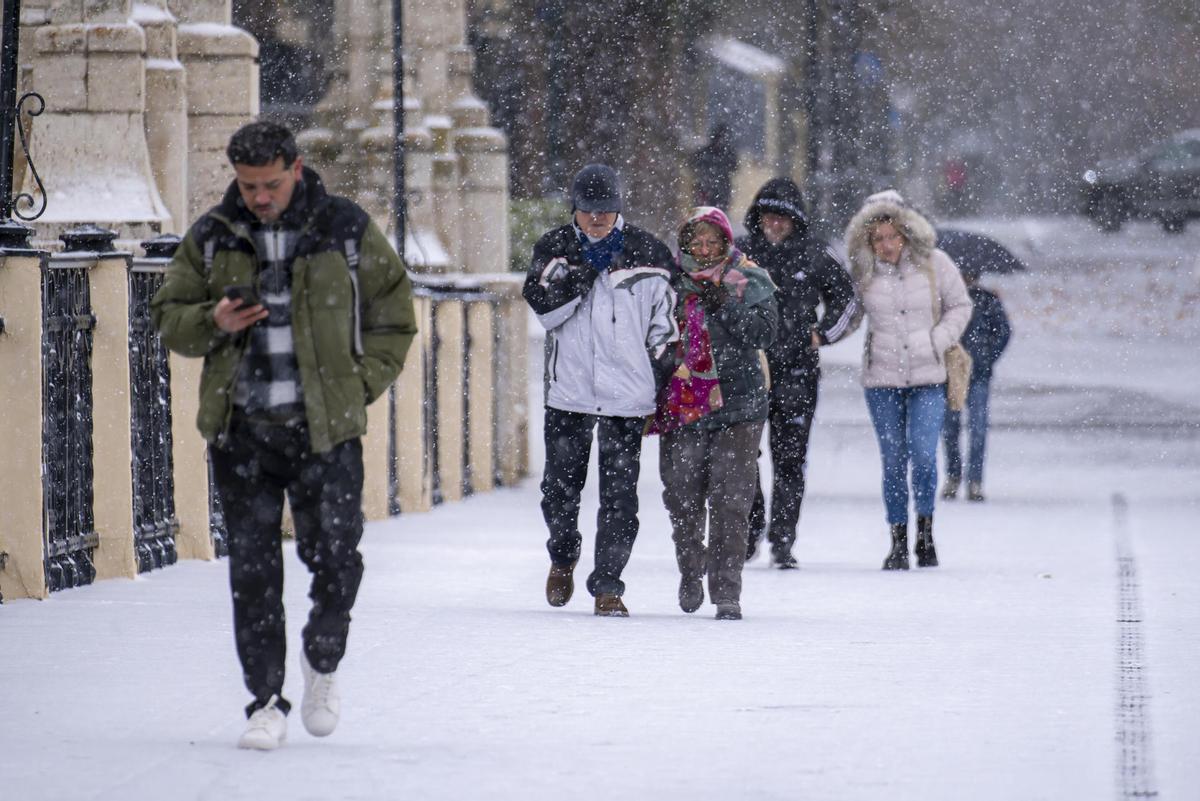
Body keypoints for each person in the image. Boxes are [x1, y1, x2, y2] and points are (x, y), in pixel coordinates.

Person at [152, 121, 416, 750]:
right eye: (248, 186)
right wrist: (213, 319)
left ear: (295, 169)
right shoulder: (215, 235)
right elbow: (169, 319)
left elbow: (395, 315)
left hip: (325, 432)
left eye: (269, 184)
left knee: (336, 557)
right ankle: (265, 701)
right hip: (242, 432)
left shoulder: (343, 228)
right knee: (252, 570)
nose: (259, 197)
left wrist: (356, 387)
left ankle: (322, 660)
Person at [522, 164, 678, 618]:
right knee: (559, 492)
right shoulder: (555, 248)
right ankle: (563, 555)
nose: (597, 219)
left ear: (619, 209)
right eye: (589, 211)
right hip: (568, 393)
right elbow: (545, 310)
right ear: (575, 209)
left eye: (606, 211)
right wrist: (583, 274)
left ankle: (608, 586)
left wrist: (662, 385)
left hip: (627, 398)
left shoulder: (648, 251)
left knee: (619, 498)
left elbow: (663, 329)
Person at [655, 207, 778, 620]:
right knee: (682, 495)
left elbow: (765, 333)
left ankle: (727, 590)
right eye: (697, 242)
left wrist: (725, 304)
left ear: (726, 242)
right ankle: (691, 570)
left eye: (713, 242)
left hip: (739, 404)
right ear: (686, 244)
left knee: (731, 500)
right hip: (684, 403)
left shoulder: (749, 278)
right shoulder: (670, 283)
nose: (705, 250)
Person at [843, 191, 971, 570]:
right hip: (881, 379)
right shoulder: (862, 273)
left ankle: (925, 533)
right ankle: (897, 539)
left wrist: (939, 339)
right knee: (893, 461)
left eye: (893, 236)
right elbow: (848, 316)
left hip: (928, 376)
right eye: (878, 238)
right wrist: (814, 334)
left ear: (907, 233)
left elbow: (960, 305)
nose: (886, 245)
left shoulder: (935, 265)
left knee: (924, 456)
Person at [738, 178, 858, 569]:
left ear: (796, 220)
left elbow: (848, 299)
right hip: (748, 372)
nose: (774, 224)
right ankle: (752, 527)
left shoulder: (816, 255)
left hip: (797, 374)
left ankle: (783, 540)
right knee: (743, 456)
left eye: (783, 218)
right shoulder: (739, 254)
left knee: (790, 459)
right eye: (768, 216)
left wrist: (821, 335)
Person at [941, 268, 1011, 502]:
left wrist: (987, 357)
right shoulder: (943, 301)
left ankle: (975, 480)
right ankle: (954, 475)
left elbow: (1003, 332)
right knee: (950, 429)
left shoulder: (987, 301)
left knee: (977, 428)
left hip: (978, 372)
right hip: (950, 373)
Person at [689, 122, 738, 211]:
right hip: (707, 190)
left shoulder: (727, 153)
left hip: (718, 191)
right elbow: (693, 164)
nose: (720, 142)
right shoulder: (706, 152)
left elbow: (734, 167)